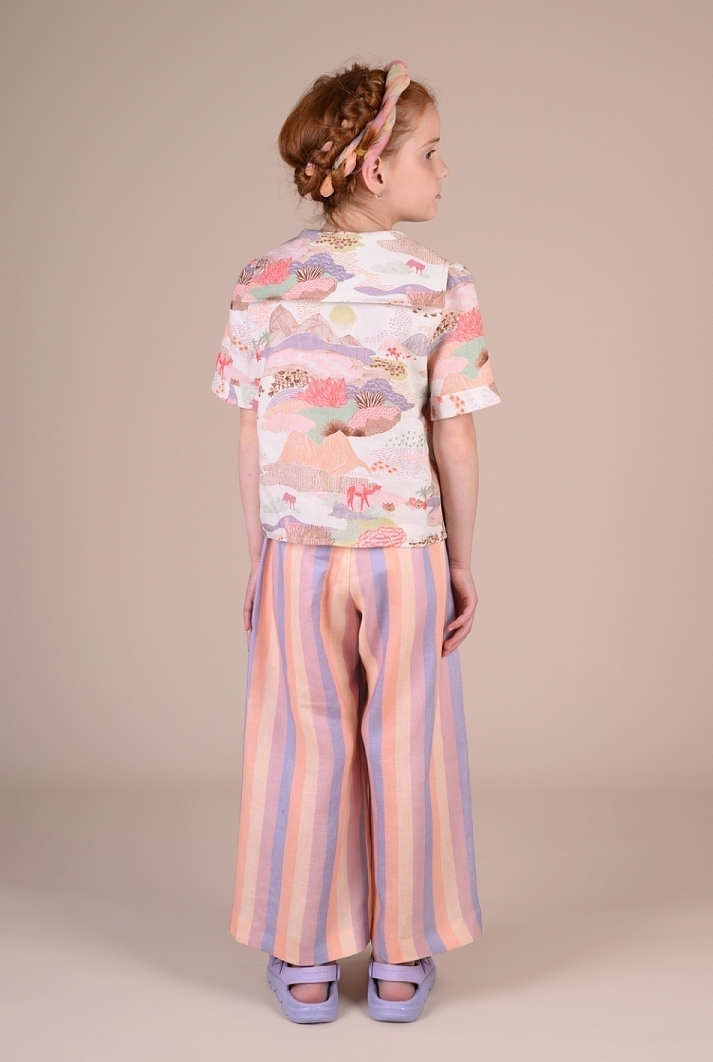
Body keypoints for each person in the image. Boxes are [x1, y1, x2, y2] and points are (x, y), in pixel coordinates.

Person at [211, 59, 501, 1023]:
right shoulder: (441, 285)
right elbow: (455, 438)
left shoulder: (260, 281)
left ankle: (303, 956)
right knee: (408, 739)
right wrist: (461, 560)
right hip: (406, 551)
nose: (444, 170)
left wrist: (260, 554)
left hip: (297, 550)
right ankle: (399, 958)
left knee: (303, 740)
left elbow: (252, 436)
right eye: (431, 152)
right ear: (376, 169)